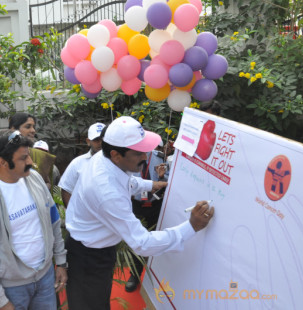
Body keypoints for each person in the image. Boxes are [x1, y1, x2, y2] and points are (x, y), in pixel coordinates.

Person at [65, 117, 214, 310]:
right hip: (89, 257)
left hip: (93, 249)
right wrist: (191, 226)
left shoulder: (104, 159)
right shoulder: (107, 192)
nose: (145, 157)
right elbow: (142, 243)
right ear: (116, 154)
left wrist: (152, 185)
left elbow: (126, 181)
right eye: (139, 153)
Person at [0, 130, 67, 310]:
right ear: (3, 162)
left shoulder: (35, 179)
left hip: (45, 278)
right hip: (11, 289)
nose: (30, 162)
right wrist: (0, 300)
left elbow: (53, 220)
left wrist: (60, 261)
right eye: (23, 158)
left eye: (28, 156)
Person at [124, 140, 174, 293]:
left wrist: (161, 178)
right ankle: (134, 274)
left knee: (158, 238)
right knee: (136, 240)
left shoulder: (161, 157)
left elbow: (167, 183)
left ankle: (157, 276)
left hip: (155, 206)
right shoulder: (128, 157)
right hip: (136, 205)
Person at [58, 122, 105, 207]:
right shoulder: (78, 163)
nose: (100, 143)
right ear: (88, 141)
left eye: (103, 139)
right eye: (96, 140)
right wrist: (72, 215)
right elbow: (66, 190)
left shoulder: (118, 162)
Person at [9, 112, 54, 188]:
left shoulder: (41, 156)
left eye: (33, 127)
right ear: (13, 129)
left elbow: (48, 182)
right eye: (28, 127)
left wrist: (38, 189)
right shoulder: (4, 155)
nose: (33, 130)